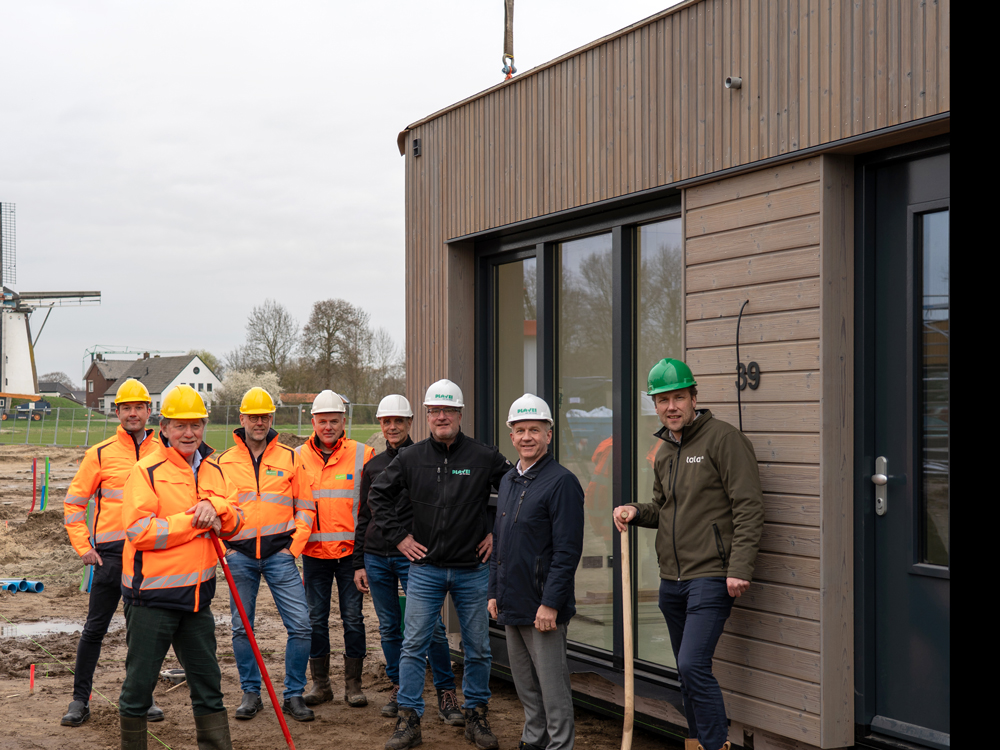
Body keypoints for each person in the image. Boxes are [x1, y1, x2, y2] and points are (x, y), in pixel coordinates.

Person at [614, 359, 763, 750]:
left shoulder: (724, 440)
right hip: (672, 581)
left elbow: (748, 506)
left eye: (679, 397)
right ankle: (696, 742)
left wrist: (740, 567)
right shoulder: (666, 450)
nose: (671, 407)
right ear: (654, 405)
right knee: (686, 673)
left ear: (694, 398)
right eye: (663, 400)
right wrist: (634, 511)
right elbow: (664, 509)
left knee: (691, 664)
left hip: (711, 576)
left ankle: (716, 745)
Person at [368, 379, 511, 750]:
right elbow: (378, 496)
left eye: (448, 410)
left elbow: (514, 492)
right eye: (435, 411)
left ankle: (476, 715)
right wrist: (400, 538)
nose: (441, 416)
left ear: (460, 414)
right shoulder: (411, 458)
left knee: (478, 647)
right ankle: (409, 721)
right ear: (427, 416)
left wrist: (495, 533)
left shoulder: (483, 456)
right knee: (413, 645)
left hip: (472, 569)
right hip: (426, 570)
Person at [118, 384, 244, 750]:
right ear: (164, 427)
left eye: (196, 425)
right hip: (152, 601)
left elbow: (237, 521)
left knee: (209, 689)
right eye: (180, 426)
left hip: (197, 602)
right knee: (138, 691)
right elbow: (139, 531)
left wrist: (217, 508)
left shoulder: (215, 470)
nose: (189, 433)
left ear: (204, 426)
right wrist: (195, 521)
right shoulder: (146, 471)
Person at [352, 394, 464, 725]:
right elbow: (363, 516)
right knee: (389, 626)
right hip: (376, 557)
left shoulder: (425, 459)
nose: (392, 427)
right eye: (387, 421)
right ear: (380, 424)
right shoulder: (372, 466)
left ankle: (446, 691)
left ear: (410, 423)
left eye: (398, 421)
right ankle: (399, 686)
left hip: (413, 557)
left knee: (432, 628)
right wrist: (359, 562)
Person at [61, 378, 166, 728]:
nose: (133, 413)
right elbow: (74, 504)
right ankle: (80, 700)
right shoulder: (100, 454)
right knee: (95, 629)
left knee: (143, 634)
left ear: (149, 411)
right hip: (109, 557)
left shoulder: (164, 451)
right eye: (126, 408)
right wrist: (84, 547)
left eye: (139, 407)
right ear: (116, 411)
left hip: (149, 556)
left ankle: (142, 697)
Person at [488, 394, 584, 750]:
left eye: (534, 430)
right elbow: (500, 540)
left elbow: (567, 552)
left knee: (552, 687)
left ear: (549, 434)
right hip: (511, 600)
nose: (527, 437)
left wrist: (551, 603)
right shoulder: (509, 480)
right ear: (511, 436)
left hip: (543, 606)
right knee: (526, 684)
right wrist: (493, 592)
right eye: (520, 430)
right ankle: (534, 739)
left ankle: (559, 744)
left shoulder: (562, 482)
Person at [216, 387, 316, 723]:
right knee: (241, 628)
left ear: (272, 418)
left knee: (301, 626)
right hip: (239, 556)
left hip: (280, 556)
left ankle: (293, 695)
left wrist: (292, 548)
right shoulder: (223, 461)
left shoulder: (290, 458)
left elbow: (306, 507)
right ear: (241, 418)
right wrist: (227, 547)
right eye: (253, 416)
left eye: (265, 416)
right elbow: (215, 508)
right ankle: (251, 693)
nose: (259, 422)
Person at [296, 389, 375, 708]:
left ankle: (353, 685)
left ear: (344, 421)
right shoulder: (298, 456)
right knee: (315, 619)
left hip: (351, 557)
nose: (328, 427)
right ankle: (321, 684)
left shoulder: (363, 454)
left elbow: (371, 508)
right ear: (313, 422)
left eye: (334, 421)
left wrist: (364, 556)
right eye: (322, 421)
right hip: (313, 555)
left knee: (353, 618)